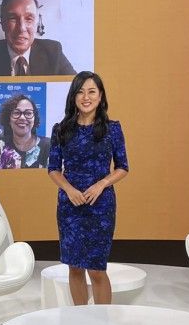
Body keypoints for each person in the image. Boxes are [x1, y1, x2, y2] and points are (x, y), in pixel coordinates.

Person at [47, 72, 129, 304]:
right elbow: (53, 168)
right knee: (74, 267)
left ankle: (103, 323)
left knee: (96, 270)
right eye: (80, 92)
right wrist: (69, 190)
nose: (86, 97)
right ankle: (80, 320)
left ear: (100, 96)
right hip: (70, 206)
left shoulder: (112, 129)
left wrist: (102, 184)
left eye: (91, 91)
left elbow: (123, 167)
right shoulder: (60, 130)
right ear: (73, 97)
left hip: (100, 205)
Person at [0, 0, 76, 76]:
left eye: (29, 19)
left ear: (36, 23)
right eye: (12, 18)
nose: (21, 28)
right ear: (2, 23)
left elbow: (76, 88)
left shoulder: (53, 51)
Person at [0, 93, 50, 169]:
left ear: (34, 119)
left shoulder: (48, 146)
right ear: (8, 119)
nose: (22, 117)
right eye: (16, 113)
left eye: (28, 113)